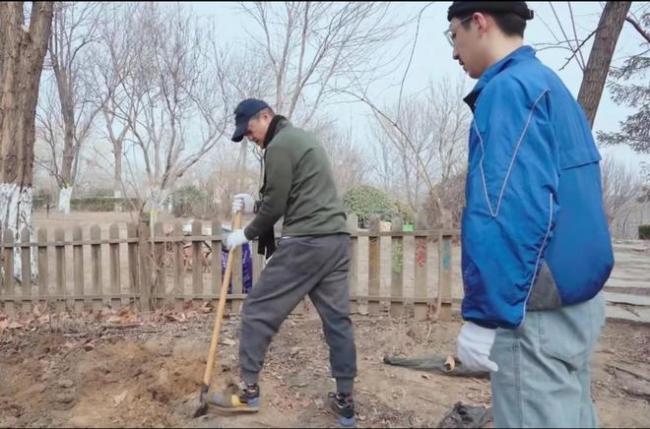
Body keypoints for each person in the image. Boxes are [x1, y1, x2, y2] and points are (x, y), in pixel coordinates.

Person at [446, 2, 614, 427]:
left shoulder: (508, 90)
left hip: (534, 313)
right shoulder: (548, 86)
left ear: (479, 23)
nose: (454, 51)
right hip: (578, 302)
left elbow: (506, 207)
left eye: (454, 35)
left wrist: (485, 316)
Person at [213, 98, 357, 427]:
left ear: (266, 116)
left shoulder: (278, 146)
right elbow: (292, 192)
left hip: (306, 242)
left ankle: (248, 393)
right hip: (335, 240)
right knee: (337, 321)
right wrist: (254, 202)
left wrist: (246, 233)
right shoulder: (302, 139)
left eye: (250, 131)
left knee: (257, 310)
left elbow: (277, 204)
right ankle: (345, 401)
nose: (250, 138)